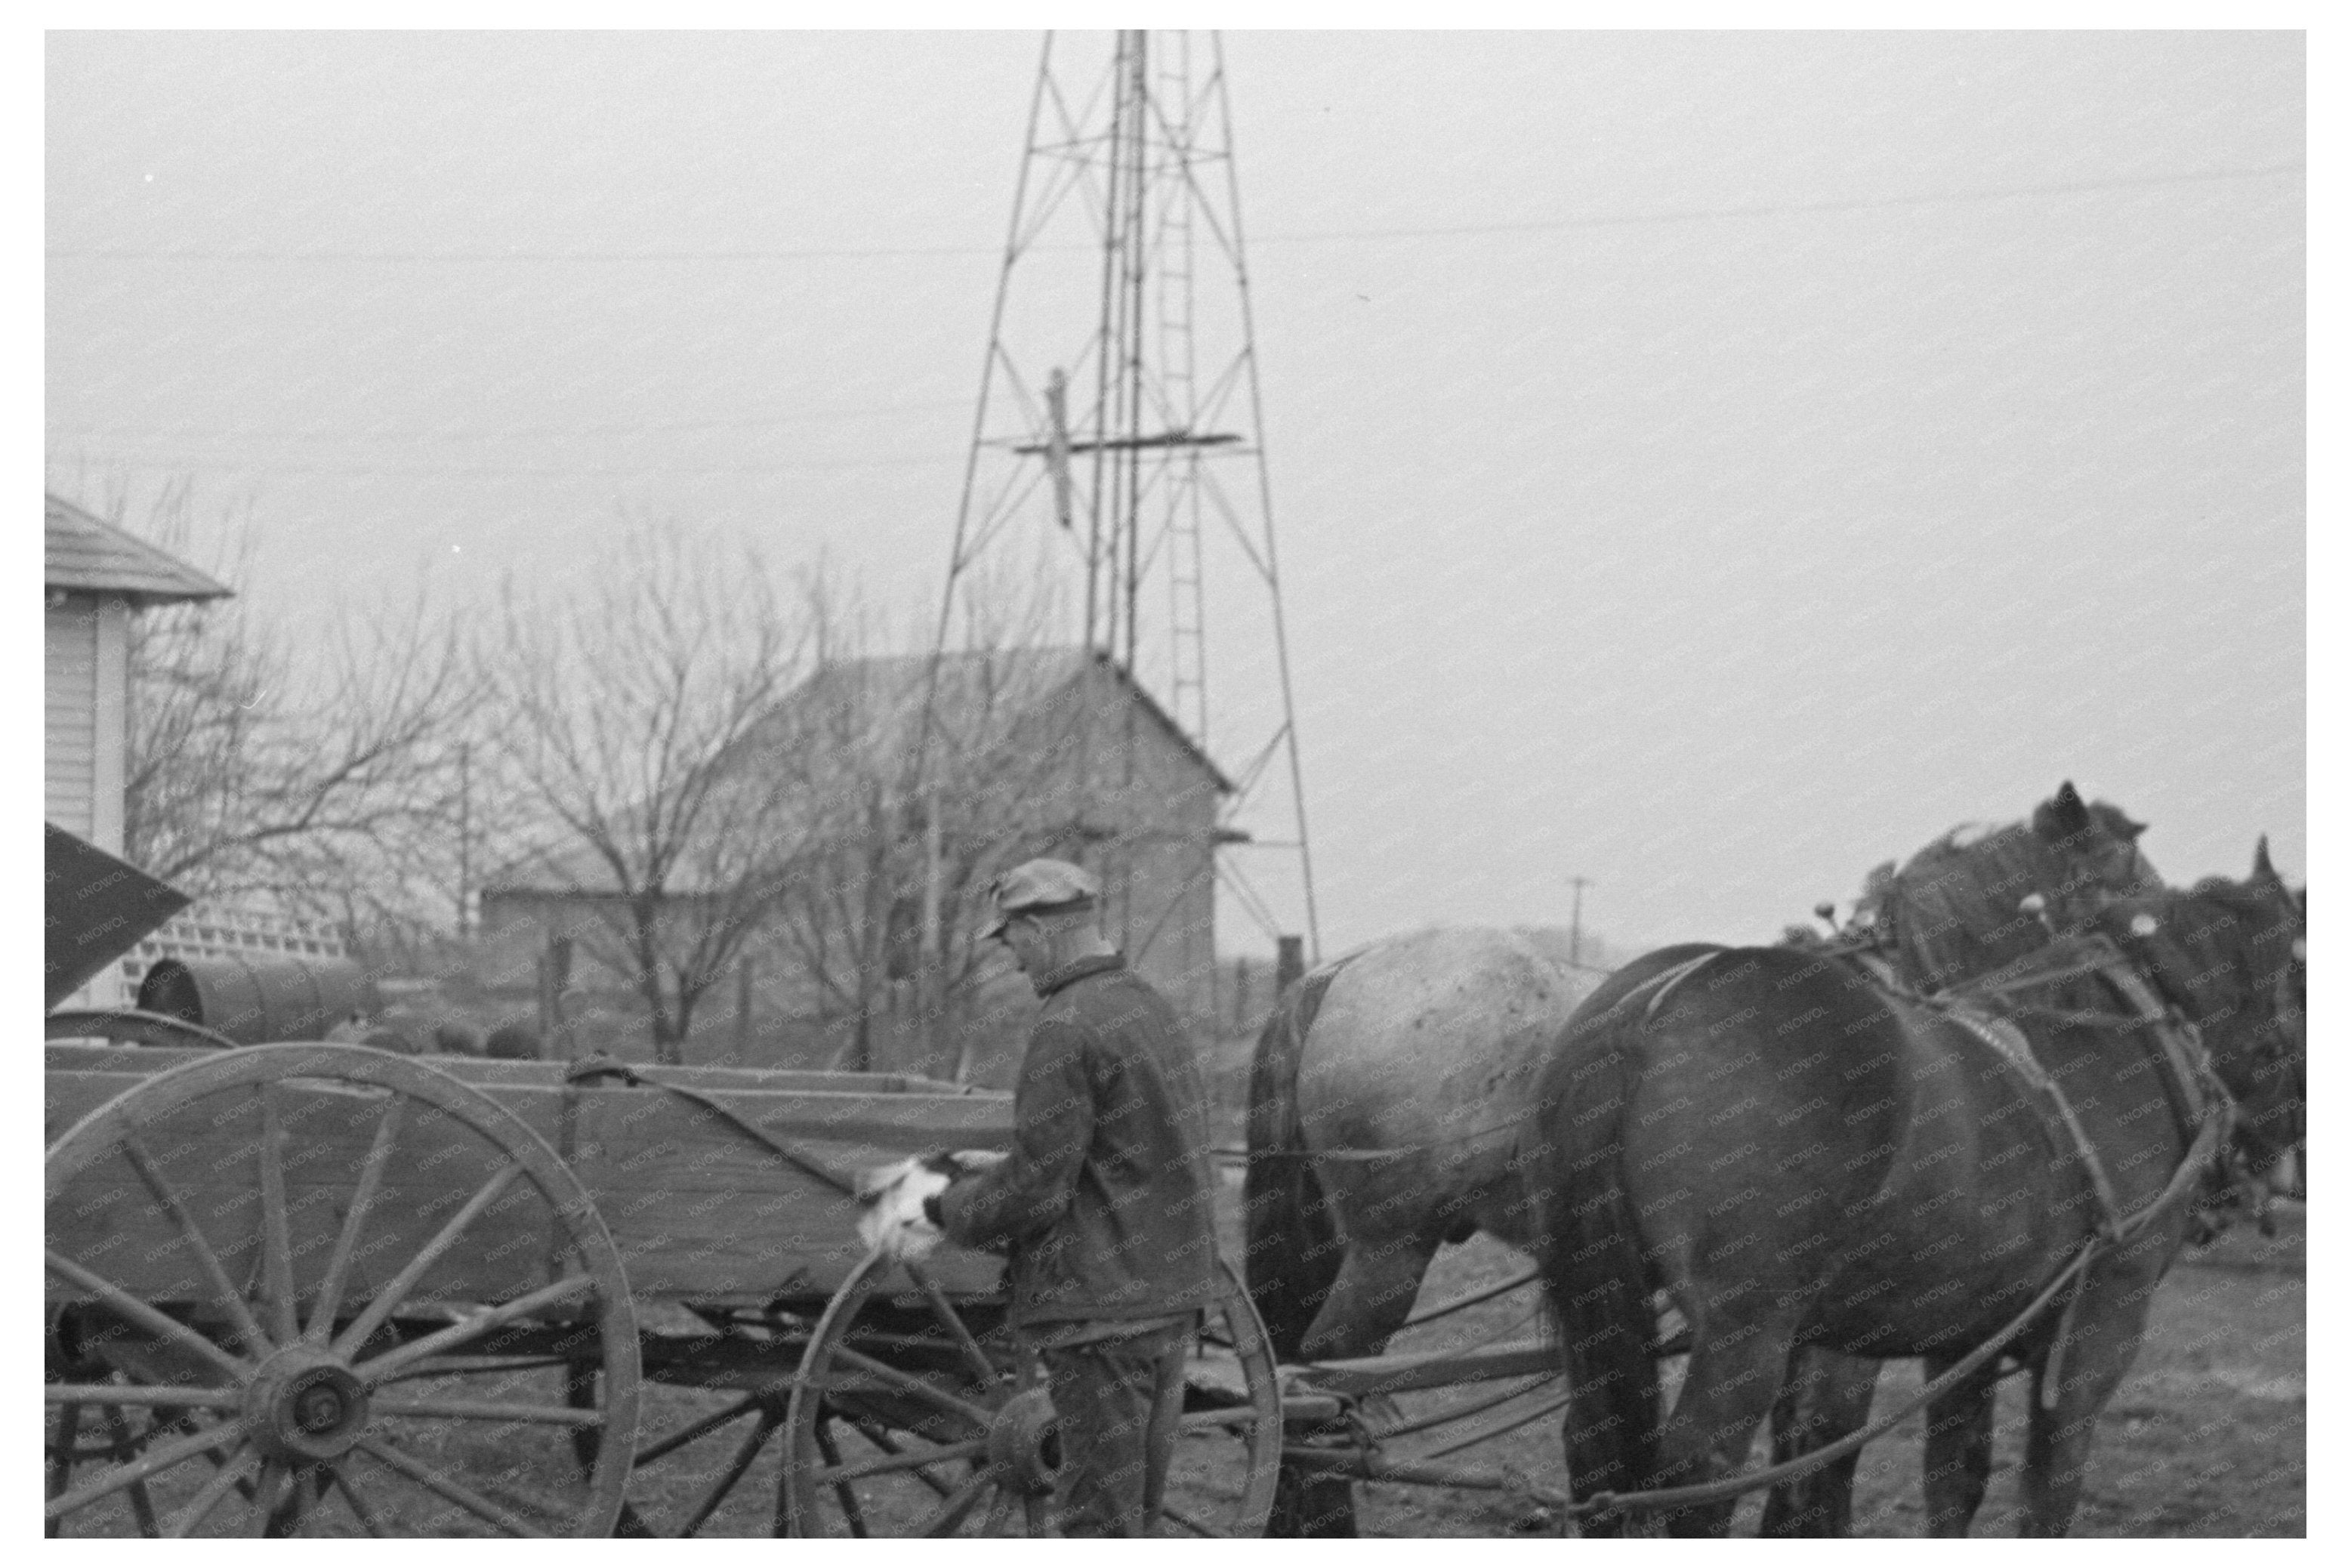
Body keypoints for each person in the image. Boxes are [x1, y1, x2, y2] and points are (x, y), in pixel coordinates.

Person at [928, 857, 1221, 1536]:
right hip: (1168, 1299)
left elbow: (1036, 1193)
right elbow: (1132, 1147)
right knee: (1132, 1520)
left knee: (1097, 1526)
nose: (1012, 959)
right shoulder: (1144, 1003)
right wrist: (1009, 1161)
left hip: (1098, 1312)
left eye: (1011, 941)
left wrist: (945, 1207)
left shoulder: (1065, 1026)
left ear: (1038, 928)